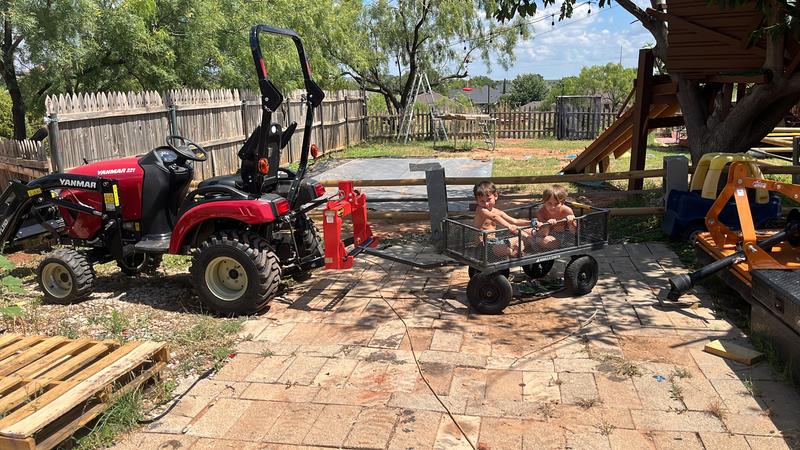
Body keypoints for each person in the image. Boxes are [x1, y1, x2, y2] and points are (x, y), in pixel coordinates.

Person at [473, 181, 534, 257]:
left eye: (488, 199)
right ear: (477, 201)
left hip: (495, 242)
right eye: (482, 201)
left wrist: (531, 222)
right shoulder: (480, 209)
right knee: (506, 249)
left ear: (495, 196)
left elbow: (514, 221)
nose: (486, 204)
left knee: (521, 240)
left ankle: (515, 251)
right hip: (483, 245)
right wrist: (509, 226)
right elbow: (494, 217)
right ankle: (513, 252)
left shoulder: (497, 212)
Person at [533, 184, 577, 251]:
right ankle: (533, 242)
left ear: (562, 202)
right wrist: (547, 225)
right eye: (549, 203)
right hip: (546, 234)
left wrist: (571, 222)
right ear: (544, 202)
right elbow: (543, 234)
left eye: (556, 204)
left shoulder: (567, 210)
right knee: (541, 239)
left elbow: (574, 232)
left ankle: (536, 245)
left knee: (546, 241)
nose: (552, 207)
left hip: (563, 235)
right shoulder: (541, 212)